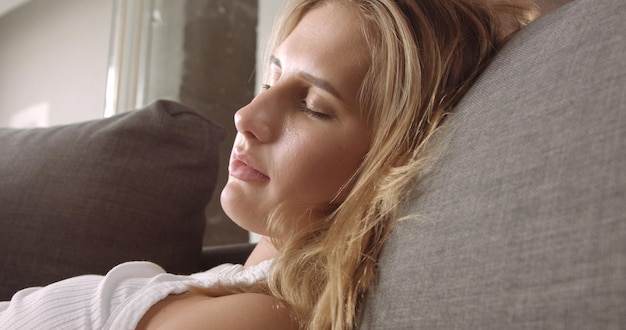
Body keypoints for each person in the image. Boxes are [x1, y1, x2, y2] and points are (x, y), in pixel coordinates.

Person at [0, 0, 539, 329]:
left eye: (313, 106)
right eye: (270, 80)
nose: (245, 115)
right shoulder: (249, 278)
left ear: (385, 160)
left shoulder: (262, 315)